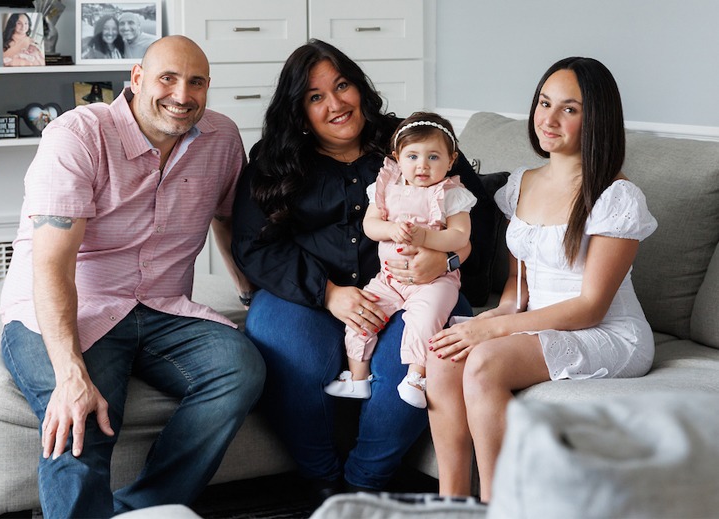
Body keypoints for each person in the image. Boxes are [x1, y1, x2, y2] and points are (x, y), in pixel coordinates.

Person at [0, 35, 265, 518]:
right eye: (168, 78)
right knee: (83, 417)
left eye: (196, 82)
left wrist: (249, 294)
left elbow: (226, 219)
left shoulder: (222, 137)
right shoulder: (77, 135)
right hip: (75, 304)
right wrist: (70, 374)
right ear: (137, 79)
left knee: (240, 368)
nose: (182, 95)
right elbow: (52, 265)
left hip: (163, 306)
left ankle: (143, 509)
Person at [232, 39, 493, 502]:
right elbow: (254, 246)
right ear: (298, 110)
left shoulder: (415, 141)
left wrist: (446, 258)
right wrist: (328, 292)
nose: (335, 104)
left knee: (414, 368)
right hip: (308, 292)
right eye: (315, 97)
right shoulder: (275, 159)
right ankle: (321, 478)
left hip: (417, 290)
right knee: (288, 350)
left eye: (342, 85)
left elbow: (481, 226)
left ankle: (362, 485)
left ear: (360, 87)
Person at [426, 56, 658, 502]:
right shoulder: (522, 183)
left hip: (608, 330)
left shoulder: (616, 196)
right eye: (543, 102)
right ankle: (452, 503)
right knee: (442, 354)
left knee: (484, 361)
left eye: (569, 109)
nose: (548, 119)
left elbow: (591, 305)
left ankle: (499, 504)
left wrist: (490, 330)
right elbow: (519, 289)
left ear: (597, 121)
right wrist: (490, 317)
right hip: (538, 318)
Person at [324, 112, 476, 409]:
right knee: (362, 315)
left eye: (433, 157)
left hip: (435, 281)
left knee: (424, 319)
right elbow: (370, 226)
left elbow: (459, 236)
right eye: (413, 156)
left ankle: (416, 377)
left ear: (451, 159)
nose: (422, 165)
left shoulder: (452, 194)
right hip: (388, 279)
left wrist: (425, 239)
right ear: (397, 157)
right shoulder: (384, 188)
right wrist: (392, 229)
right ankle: (357, 378)